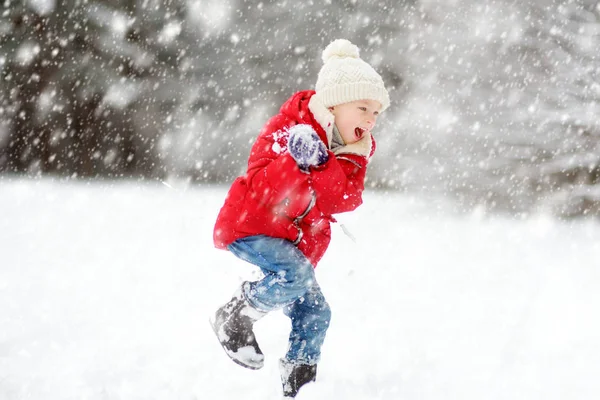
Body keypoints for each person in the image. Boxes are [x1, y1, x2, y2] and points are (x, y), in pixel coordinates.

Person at [210, 38, 390, 398]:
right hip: (252, 227)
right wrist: (295, 159)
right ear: (335, 103)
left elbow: (342, 200)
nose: (371, 119)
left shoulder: (354, 151)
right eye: (363, 107)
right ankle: (235, 315)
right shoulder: (288, 125)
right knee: (295, 275)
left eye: (377, 112)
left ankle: (300, 385)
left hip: (293, 244)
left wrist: (322, 163)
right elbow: (262, 187)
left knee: (317, 314)